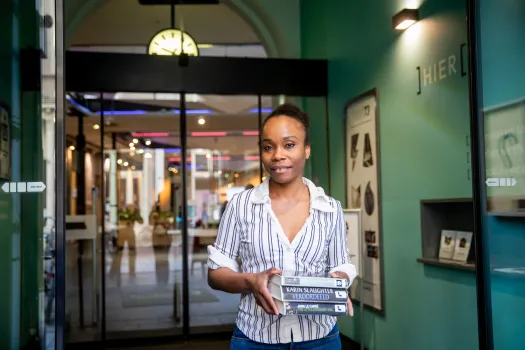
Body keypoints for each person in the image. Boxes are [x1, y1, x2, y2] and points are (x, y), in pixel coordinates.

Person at [207, 103, 356, 349]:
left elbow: (340, 263)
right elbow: (216, 275)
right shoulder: (241, 206)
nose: (278, 155)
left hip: (320, 339)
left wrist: (337, 281)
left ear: (307, 149)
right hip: (256, 339)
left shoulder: (330, 208)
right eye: (268, 147)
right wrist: (251, 281)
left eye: (289, 145)